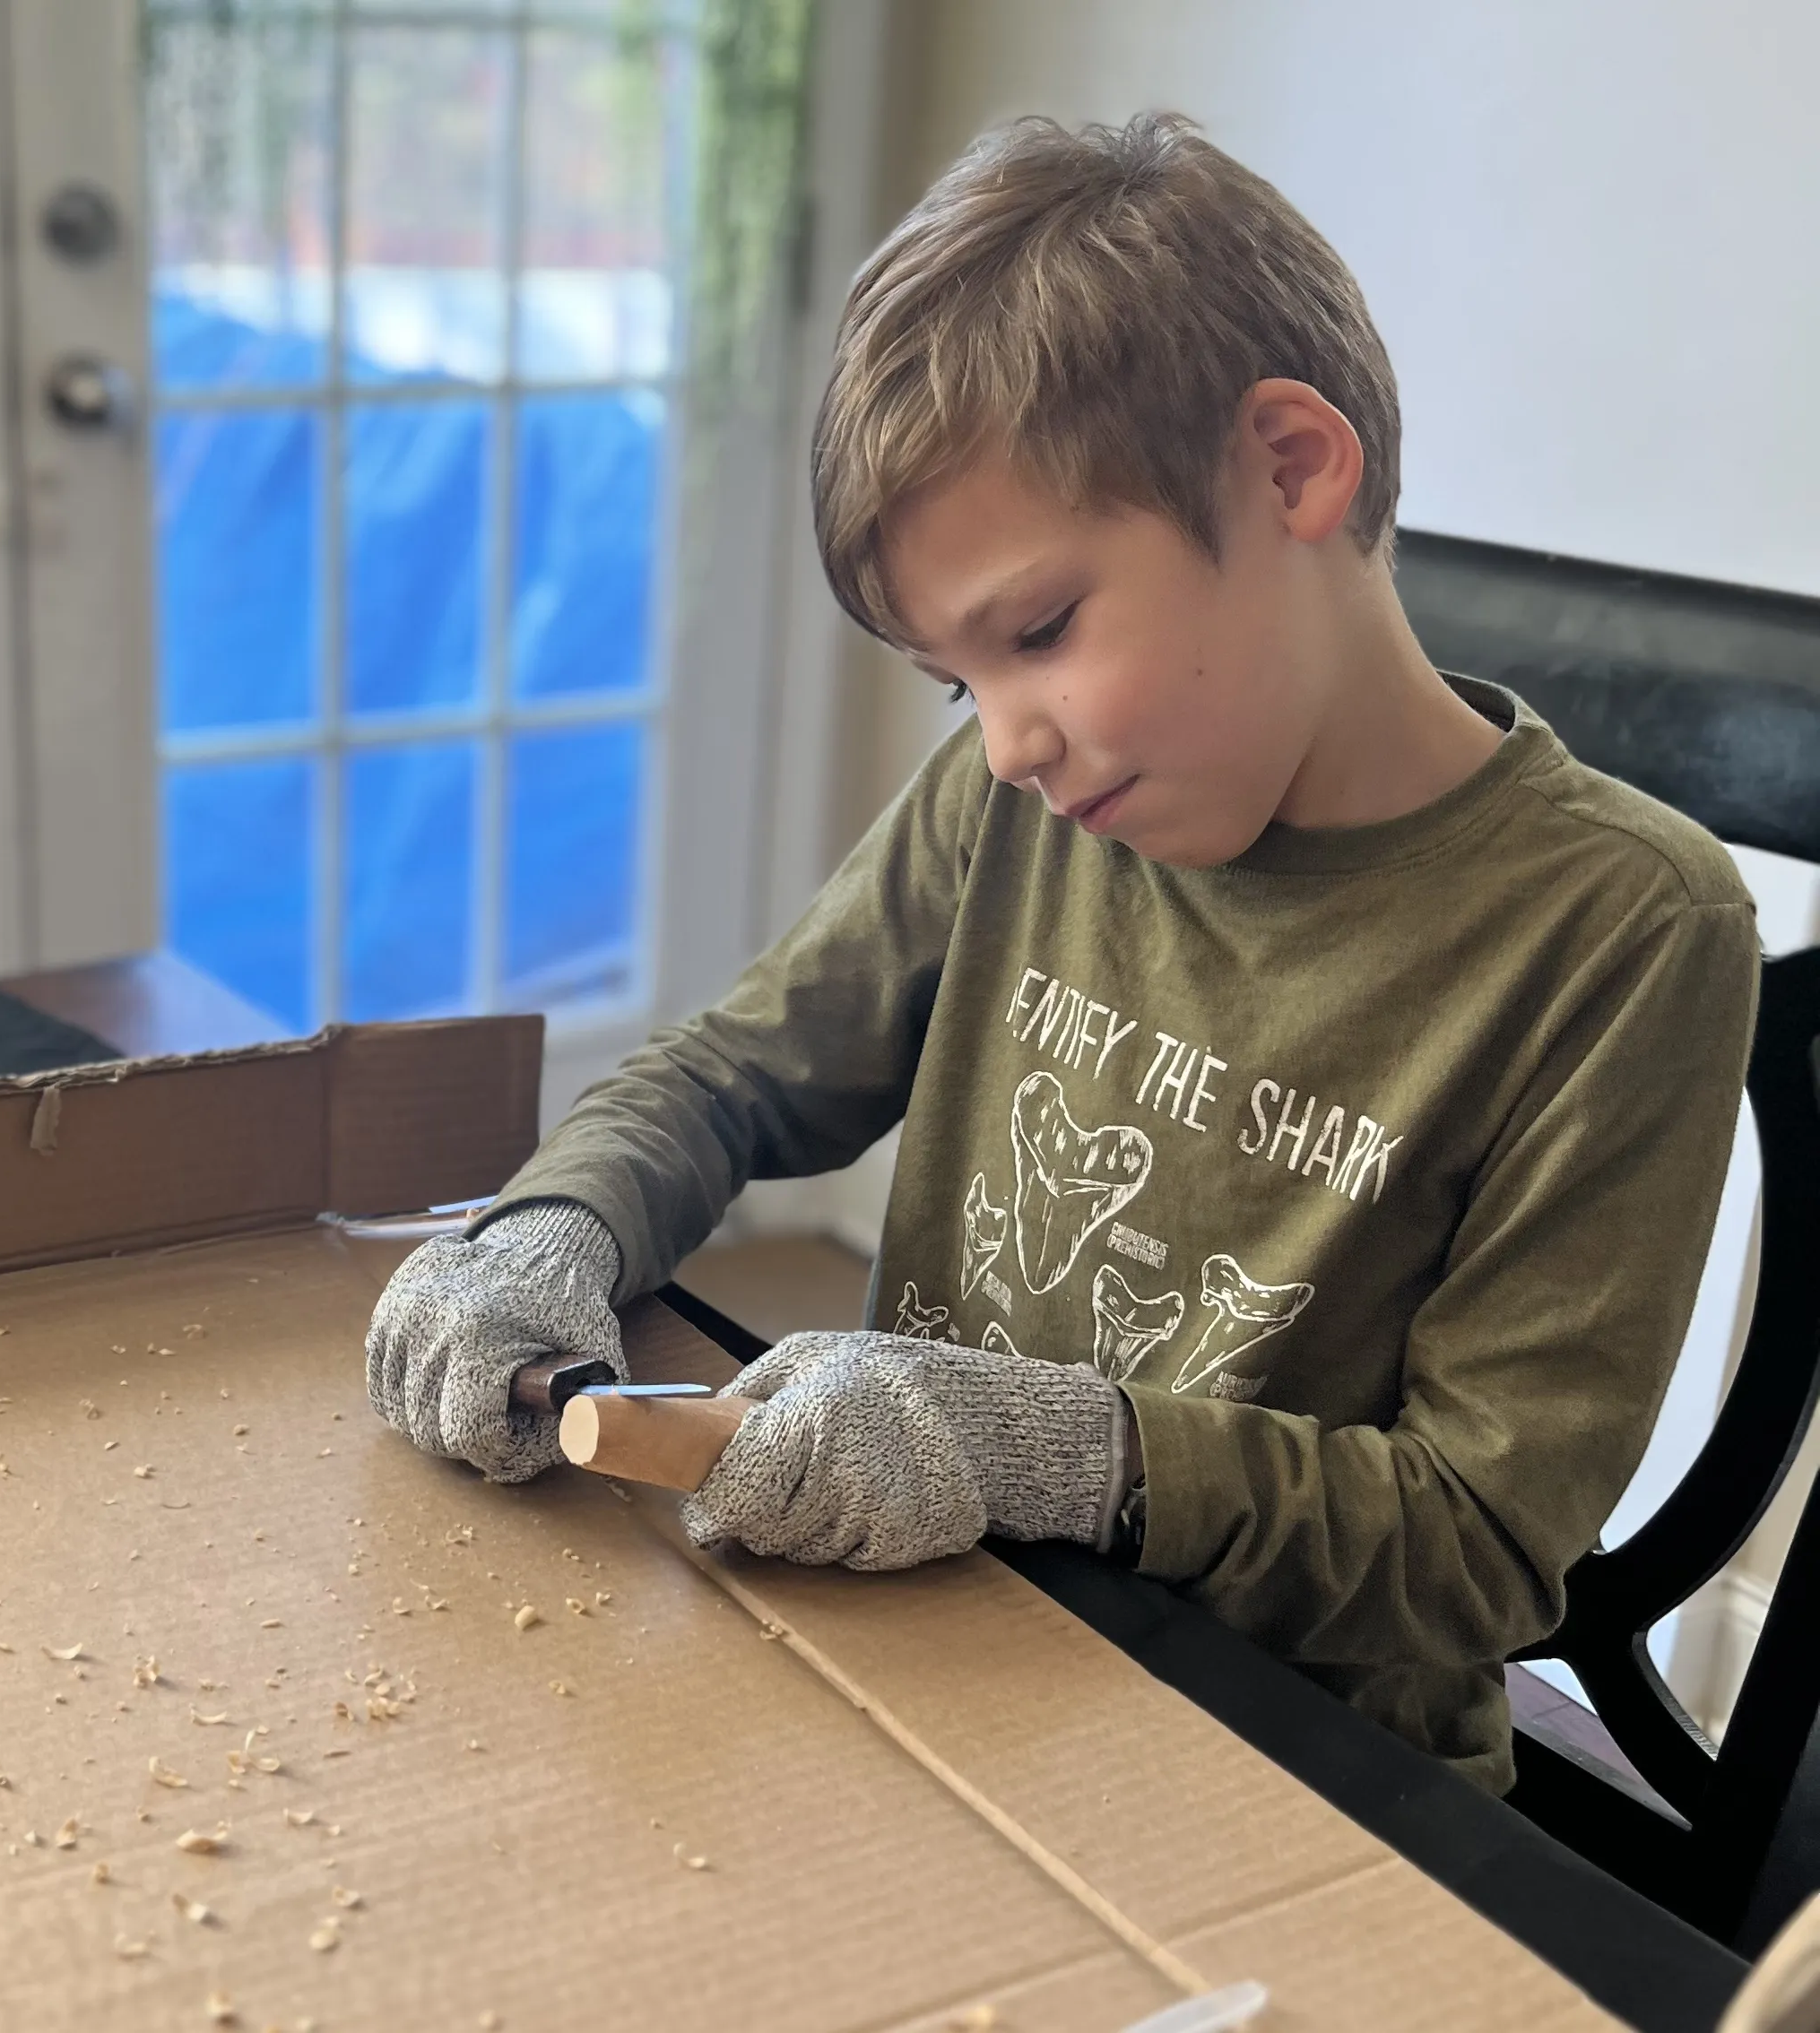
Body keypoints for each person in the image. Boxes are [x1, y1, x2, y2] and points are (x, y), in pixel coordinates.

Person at [363, 110, 1760, 1794]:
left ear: (1294, 468)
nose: (1006, 738)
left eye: (1038, 634)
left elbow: (1478, 1542)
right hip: (926, 1653)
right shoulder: (1020, 795)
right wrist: (550, 1232)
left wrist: (1043, 1451)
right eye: (961, 682)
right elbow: (733, 1079)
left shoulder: (1628, 933)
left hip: (1290, 1774)